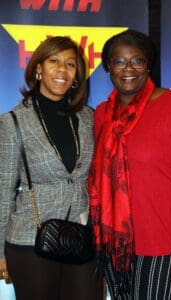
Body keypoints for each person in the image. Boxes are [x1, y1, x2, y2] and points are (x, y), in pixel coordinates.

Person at [88, 29, 171, 299]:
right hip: (117, 248)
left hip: (169, 244)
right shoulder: (103, 114)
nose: (128, 69)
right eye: (119, 61)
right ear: (108, 67)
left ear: (148, 64)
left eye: (137, 61)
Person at [0, 36, 103, 300]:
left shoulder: (88, 117)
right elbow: (3, 190)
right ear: (38, 69)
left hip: (81, 237)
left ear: (77, 74)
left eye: (70, 64)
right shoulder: (13, 121)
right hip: (29, 240)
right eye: (54, 61)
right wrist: (0, 252)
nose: (62, 70)